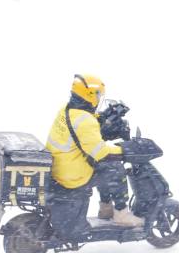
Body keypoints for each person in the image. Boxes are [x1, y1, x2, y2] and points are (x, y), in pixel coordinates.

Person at [45, 74, 144, 229]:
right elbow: (102, 153)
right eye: (98, 94)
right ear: (89, 95)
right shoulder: (85, 121)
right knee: (115, 168)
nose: (99, 98)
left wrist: (102, 117)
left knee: (103, 168)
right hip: (72, 175)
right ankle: (121, 214)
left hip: (60, 165)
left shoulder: (67, 109)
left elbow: (82, 129)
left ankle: (105, 209)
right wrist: (126, 149)